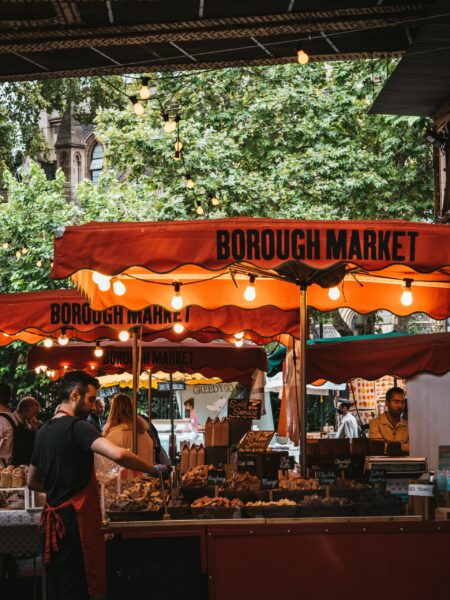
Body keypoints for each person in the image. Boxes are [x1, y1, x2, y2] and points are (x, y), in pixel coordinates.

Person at [27, 370, 168, 600]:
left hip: (52, 523)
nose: (94, 407)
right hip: (75, 525)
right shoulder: (78, 428)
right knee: (78, 589)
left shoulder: (43, 432)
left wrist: (57, 490)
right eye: (91, 399)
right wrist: (154, 469)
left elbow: (32, 481)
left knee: (58, 589)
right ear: (75, 395)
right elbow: (119, 454)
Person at [102, 393, 153, 466]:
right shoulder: (144, 433)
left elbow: (107, 464)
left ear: (113, 410)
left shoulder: (114, 435)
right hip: (146, 475)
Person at [0, 395, 40, 467]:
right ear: (25, 410)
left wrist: (34, 429)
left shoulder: (27, 426)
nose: (35, 416)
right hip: (3, 468)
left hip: (17, 469)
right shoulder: (4, 420)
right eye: (34, 413)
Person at [369, 386, 409, 453]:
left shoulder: (407, 424)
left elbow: (413, 447)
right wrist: (403, 447)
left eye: (402, 402)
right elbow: (378, 447)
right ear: (387, 403)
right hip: (382, 463)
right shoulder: (375, 423)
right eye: (396, 402)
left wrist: (389, 446)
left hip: (404, 463)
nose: (400, 406)